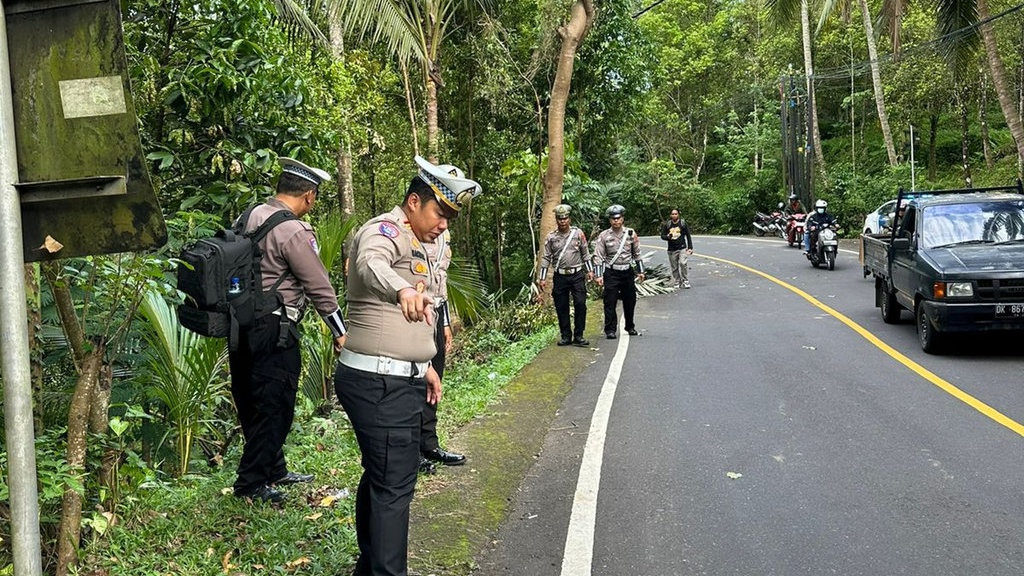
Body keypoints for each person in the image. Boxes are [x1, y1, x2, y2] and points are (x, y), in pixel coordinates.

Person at [335, 155, 480, 576]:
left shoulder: (422, 244)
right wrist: (401, 290)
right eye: (440, 213)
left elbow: (427, 307)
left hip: (400, 377)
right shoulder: (386, 230)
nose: (444, 224)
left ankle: (371, 565)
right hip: (379, 382)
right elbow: (371, 264)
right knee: (395, 484)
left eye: (450, 217)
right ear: (414, 202)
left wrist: (425, 367)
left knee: (383, 476)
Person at [230, 157, 347, 504]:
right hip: (275, 327)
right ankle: (251, 483)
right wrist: (339, 331)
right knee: (276, 403)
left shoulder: (248, 216)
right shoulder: (293, 229)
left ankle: (274, 467)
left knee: (251, 398)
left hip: (241, 324)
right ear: (309, 196)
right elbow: (319, 286)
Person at [419, 171, 468, 474]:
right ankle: (412, 451)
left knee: (434, 379)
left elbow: (441, 281)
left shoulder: (443, 234)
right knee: (414, 382)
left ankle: (429, 443)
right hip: (413, 316)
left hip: (436, 314)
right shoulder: (411, 232)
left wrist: (446, 321)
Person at [538, 204, 593, 347]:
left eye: (565, 218)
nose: (563, 221)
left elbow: (585, 254)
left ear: (569, 219)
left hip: (577, 275)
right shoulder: (551, 237)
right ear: (556, 220)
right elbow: (546, 258)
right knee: (561, 306)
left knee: (580, 304)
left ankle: (579, 335)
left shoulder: (578, 234)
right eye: (560, 218)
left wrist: (590, 271)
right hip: (560, 276)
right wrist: (542, 278)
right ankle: (565, 336)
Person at [594, 204, 644, 340]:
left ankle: (630, 326)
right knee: (610, 301)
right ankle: (610, 329)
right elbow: (598, 256)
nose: (616, 221)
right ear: (610, 220)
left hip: (627, 271)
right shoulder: (604, 235)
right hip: (611, 272)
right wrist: (598, 275)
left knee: (630, 300)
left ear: (622, 219)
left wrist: (641, 271)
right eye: (613, 219)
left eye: (618, 218)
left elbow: (637, 253)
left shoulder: (630, 233)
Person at [659, 208, 693, 289]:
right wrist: (668, 237)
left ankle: (685, 280)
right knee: (674, 267)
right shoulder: (667, 224)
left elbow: (688, 236)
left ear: (678, 215)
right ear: (671, 215)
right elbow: (662, 236)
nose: (674, 215)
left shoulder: (683, 223)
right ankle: (677, 281)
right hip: (671, 249)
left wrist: (690, 247)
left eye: (676, 214)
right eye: (673, 214)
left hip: (682, 247)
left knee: (683, 263)